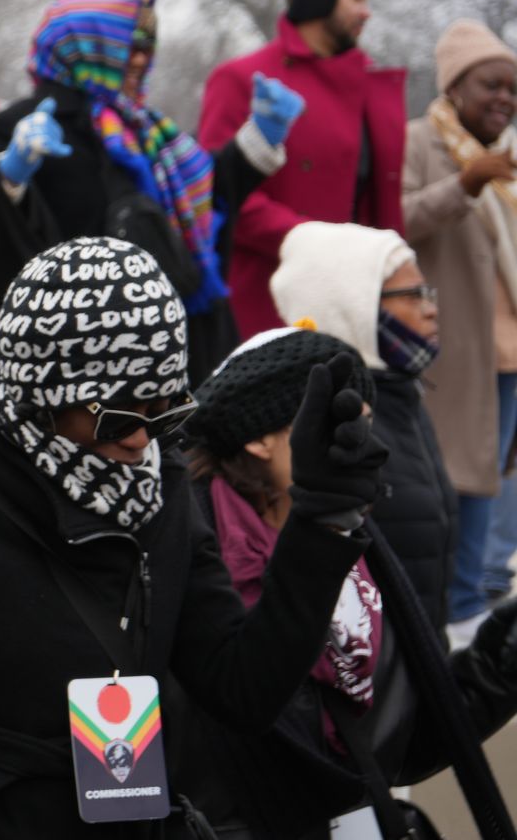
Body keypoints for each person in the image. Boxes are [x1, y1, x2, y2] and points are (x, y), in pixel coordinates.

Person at [0, 236, 381, 838]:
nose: (142, 441)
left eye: (166, 413)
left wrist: (320, 521)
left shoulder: (161, 486)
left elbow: (242, 689)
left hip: (129, 815)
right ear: (41, 392)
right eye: (123, 413)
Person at [176, 326, 517, 840]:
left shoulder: (356, 540)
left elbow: (391, 744)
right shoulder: (194, 565)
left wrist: (502, 661)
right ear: (257, 438)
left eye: (366, 425)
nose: (366, 447)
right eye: (335, 425)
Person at [0, 0, 300, 397]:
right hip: (77, 358)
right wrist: (10, 174)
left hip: (165, 345)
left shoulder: (145, 128)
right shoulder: (27, 123)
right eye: (130, 46)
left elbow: (195, 209)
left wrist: (258, 141)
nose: (142, 59)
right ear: (84, 47)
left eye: (148, 44)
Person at [198, 0, 409, 338]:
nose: (366, 11)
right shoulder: (239, 79)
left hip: (358, 307)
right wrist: (313, 240)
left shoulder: (369, 85)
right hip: (269, 310)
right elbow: (219, 194)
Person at [269, 221, 457, 639]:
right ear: (353, 304)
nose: (431, 308)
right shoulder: (332, 416)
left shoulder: (402, 394)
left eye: (428, 293)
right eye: (411, 295)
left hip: (419, 657)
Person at [404, 20, 517, 616]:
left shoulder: (510, 158)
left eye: (512, 89)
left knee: (491, 488)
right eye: (491, 85)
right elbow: (392, 223)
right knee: (447, 492)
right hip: (446, 356)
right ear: (453, 87)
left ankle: (473, 613)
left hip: (508, 355)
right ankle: (446, 617)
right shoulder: (419, 143)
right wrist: (464, 186)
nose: (504, 98)